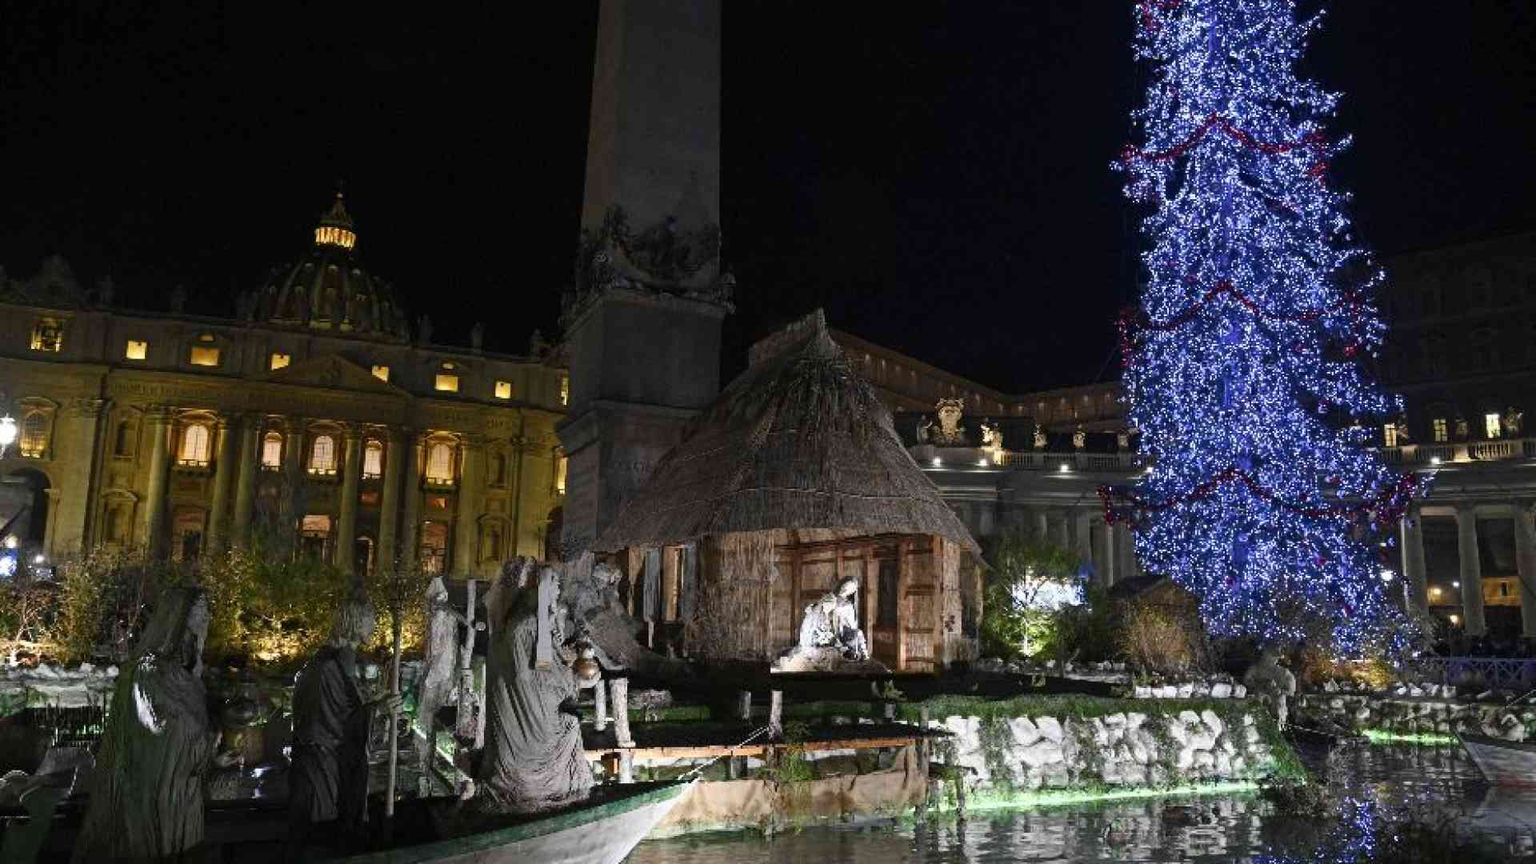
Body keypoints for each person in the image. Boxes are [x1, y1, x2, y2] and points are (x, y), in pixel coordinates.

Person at [74, 587, 214, 863]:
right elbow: (156, 726)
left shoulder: (186, 675)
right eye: (197, 612)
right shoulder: (147, 671)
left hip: (184, 791)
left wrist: (208, 750)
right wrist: (198, 738)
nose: (204, 619)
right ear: (177, 618)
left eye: (206, 613)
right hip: (152, 789)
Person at [473, 565, 592, 814]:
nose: (559, 589)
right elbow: (538, 676)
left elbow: (537, 667)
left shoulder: (517, 622)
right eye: (555, 584)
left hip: (520, 703)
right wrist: (573, 676)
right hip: (532, 712)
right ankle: (550, 790)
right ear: (542, 587)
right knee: (570, 724)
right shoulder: (529, 624)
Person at [287, 594, 400, 853]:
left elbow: (345, 707)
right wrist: (378, 709)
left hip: (327, 765)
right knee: (320, 841)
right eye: (371, 619)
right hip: (320, 770)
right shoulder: (326, 667)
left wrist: (372, 704)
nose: (374, 625)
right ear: (356, 622)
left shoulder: (340, 661)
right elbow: (336, 722)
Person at [797, 578, 869, 661]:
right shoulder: (833, 605)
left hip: (818, 643)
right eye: (846, 589)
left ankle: (863, 656)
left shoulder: (830, 603)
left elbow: (843, 630)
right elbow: (827, 636)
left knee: (856, 636)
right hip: (817, 646)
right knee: (855, 637)